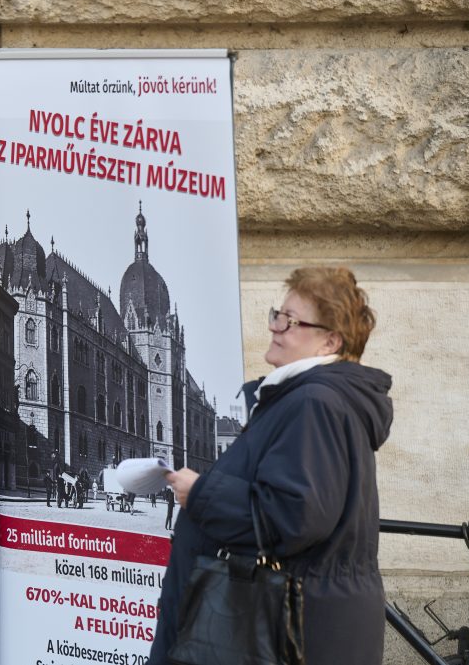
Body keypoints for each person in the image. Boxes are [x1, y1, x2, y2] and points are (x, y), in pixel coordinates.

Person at [148, 267, 393, 665]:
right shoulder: (308, 399)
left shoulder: (314, 403)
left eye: (290, 321)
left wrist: (200, 492)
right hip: (292, 619)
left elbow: (295, 515)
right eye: (277, 314)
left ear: (329, 341)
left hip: (287, 627)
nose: (275, 326)